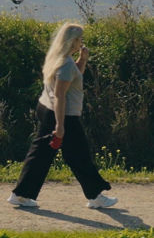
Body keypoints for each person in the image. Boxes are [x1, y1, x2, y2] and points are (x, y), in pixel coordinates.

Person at [8, 22, 117, 209]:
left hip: (46, 108)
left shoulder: (58, 58)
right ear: (72, 41)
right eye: (80, 39)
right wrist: (60, 126)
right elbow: (60, 95)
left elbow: (74, 78)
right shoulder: (65, 65)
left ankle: (21, 195)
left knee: (42, 154)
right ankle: (95, 196)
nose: (82, 42)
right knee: (79, 155)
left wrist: (82, 60)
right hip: (63, 115)